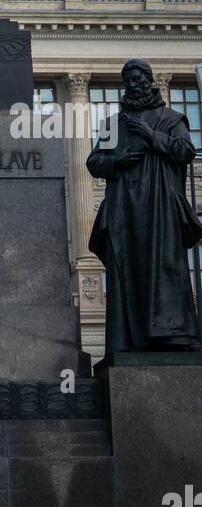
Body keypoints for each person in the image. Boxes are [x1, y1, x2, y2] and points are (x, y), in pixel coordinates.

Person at [87, 58, 202, 354]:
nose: (133, 84)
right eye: (128, 79)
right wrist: (118, 161)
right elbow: (94, 161)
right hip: (126, 208)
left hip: (160, 208)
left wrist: (150, 136)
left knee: (166, 267)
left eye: (138, 78)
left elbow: (185, 150)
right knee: (127, 269)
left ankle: (173, 334)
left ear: (149, 80)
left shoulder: (171, 118)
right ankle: (129, 339)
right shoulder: (113, 124)